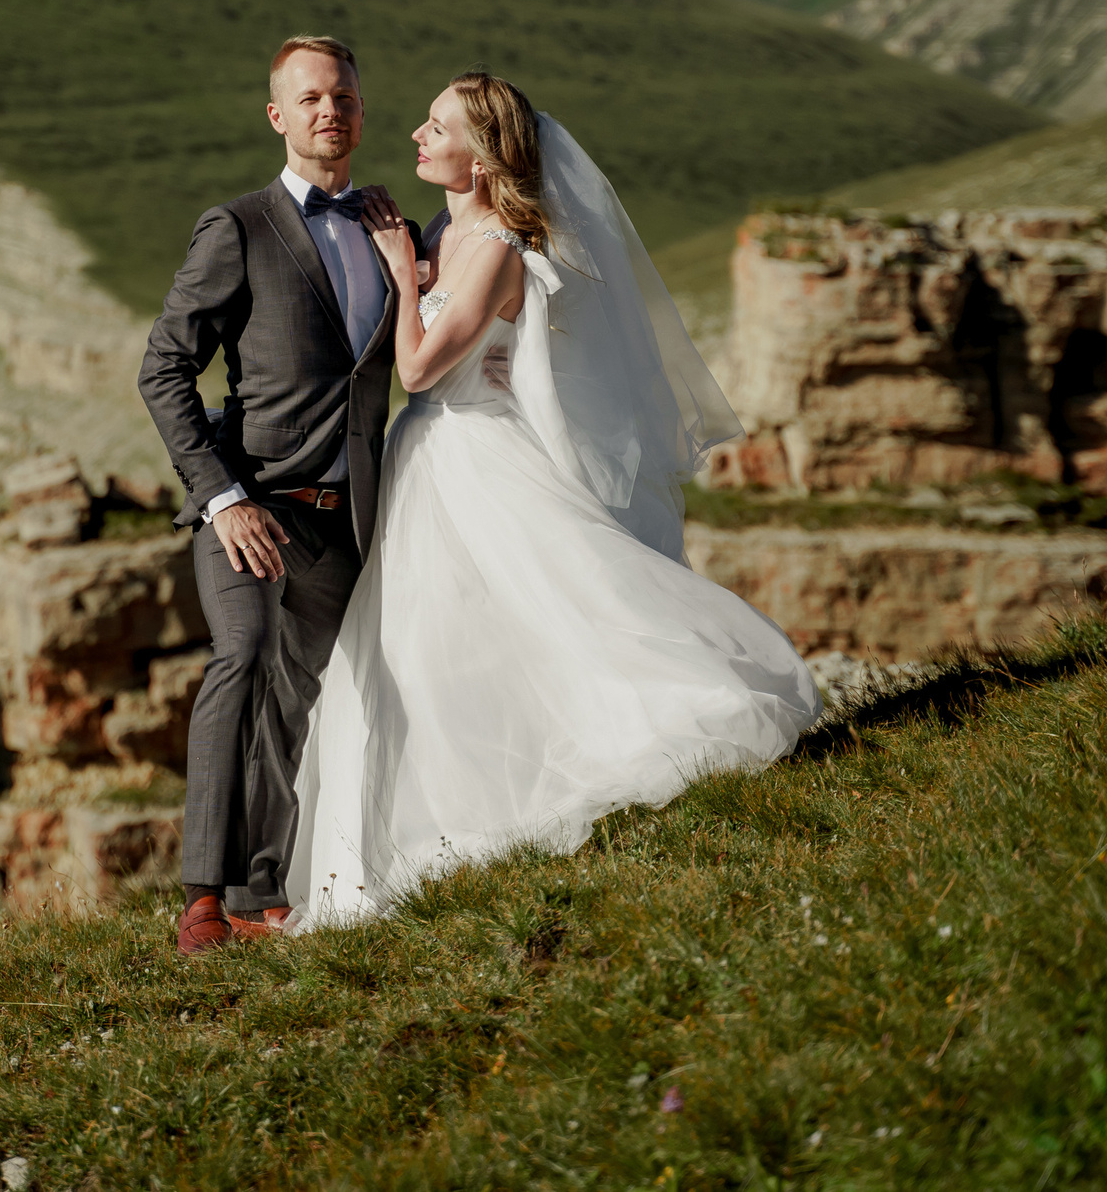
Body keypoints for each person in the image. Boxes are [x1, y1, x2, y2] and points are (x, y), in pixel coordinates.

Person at [286, 70, 821, 925]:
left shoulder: (497, 239)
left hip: (471, 454)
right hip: (424, 455)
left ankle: (662, 730)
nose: (418, 135)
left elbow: (422, 368)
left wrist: (396, 272)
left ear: (484, 153)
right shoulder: (446, 225)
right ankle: (441, 823)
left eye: (438, 126)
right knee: (435, 651)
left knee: (536, 618)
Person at [137, 34, 419, 954]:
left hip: (345, 521)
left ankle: (264, 893)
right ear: (278, 115)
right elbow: (164, 368)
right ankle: (201, 901)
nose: (328, 110)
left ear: (360, 111)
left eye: (341, 95)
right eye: (308, 99)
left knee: (300, 700)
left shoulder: (389, 232)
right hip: (249, 508)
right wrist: (222, 497)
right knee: (244, 656)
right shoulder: (239, 226)